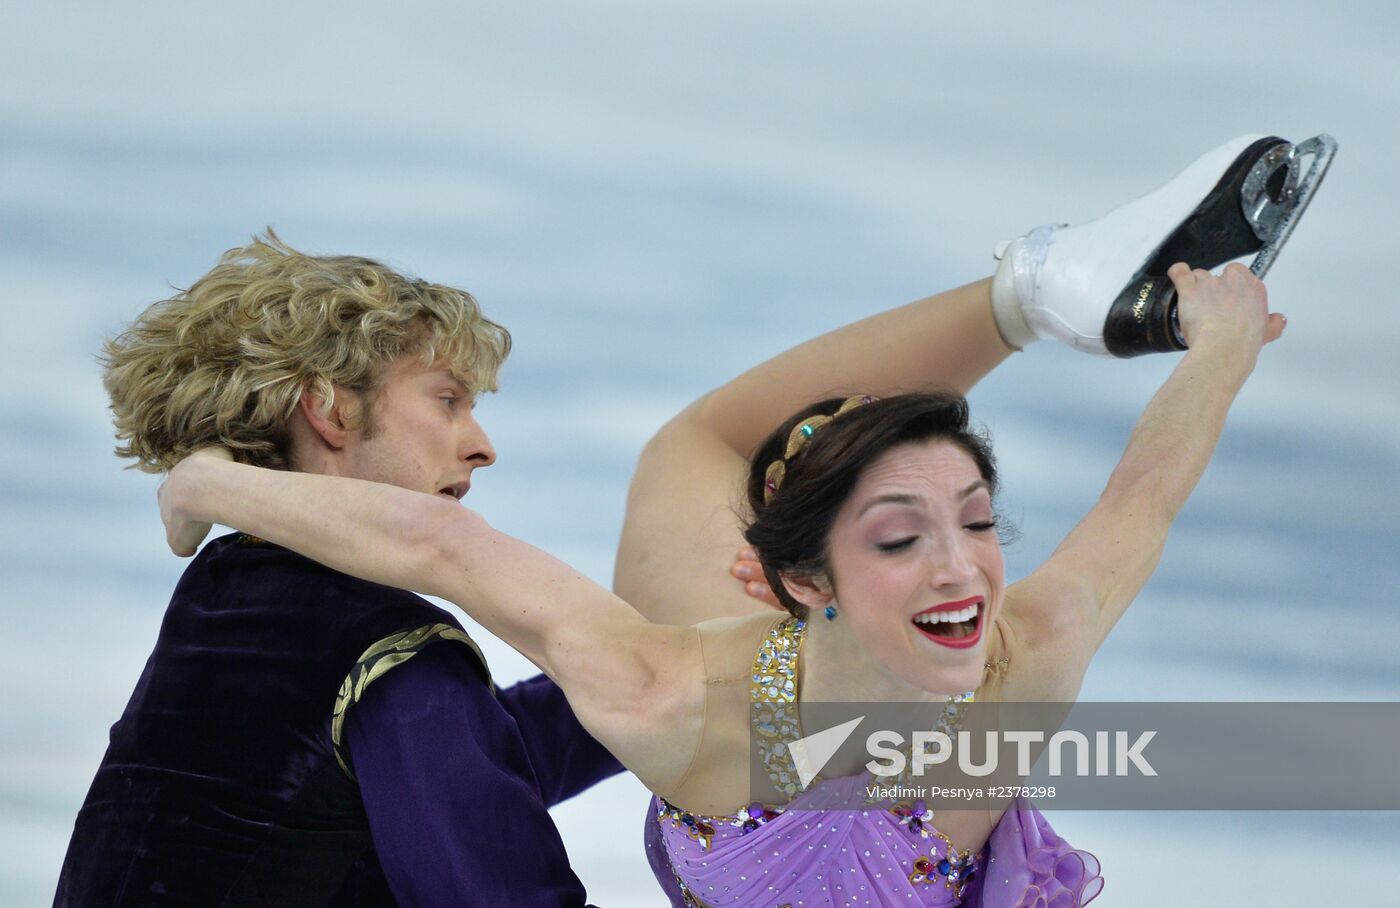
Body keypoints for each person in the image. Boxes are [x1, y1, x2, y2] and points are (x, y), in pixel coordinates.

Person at [152, 136, 1305, 905]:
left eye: (975, 521)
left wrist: (1219, 349)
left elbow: (1143, 495)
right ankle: (1034, 288)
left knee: (694, 452)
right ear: (802, 581)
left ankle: (1038, 290)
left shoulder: (1016, 651)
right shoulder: (663, 685)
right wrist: (204, 484)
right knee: (697, 457)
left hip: (757, 683)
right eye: (900, 539)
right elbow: (443, 554)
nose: (960, 568)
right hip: (754, 683)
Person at [56, 237, 634, 906]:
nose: (482, 448)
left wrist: (679, 690)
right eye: (448, 400)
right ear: (330, 408)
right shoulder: (386, 646)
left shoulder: (227, 588)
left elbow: (466, 757)